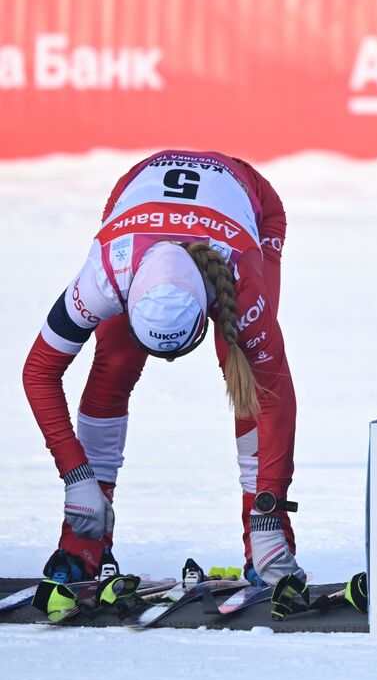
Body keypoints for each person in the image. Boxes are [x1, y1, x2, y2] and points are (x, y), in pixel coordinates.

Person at [21, 150, 309, 615]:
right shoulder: (104, 276)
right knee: (113, 361)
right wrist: (76, 476)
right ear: (128, 303)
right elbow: (38, 372)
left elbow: (275, 395)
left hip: (249, 201)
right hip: (137, 194)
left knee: (244, 368)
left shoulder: (240, 279)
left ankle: (265, 546)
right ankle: (82, 540)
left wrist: (269, 511)